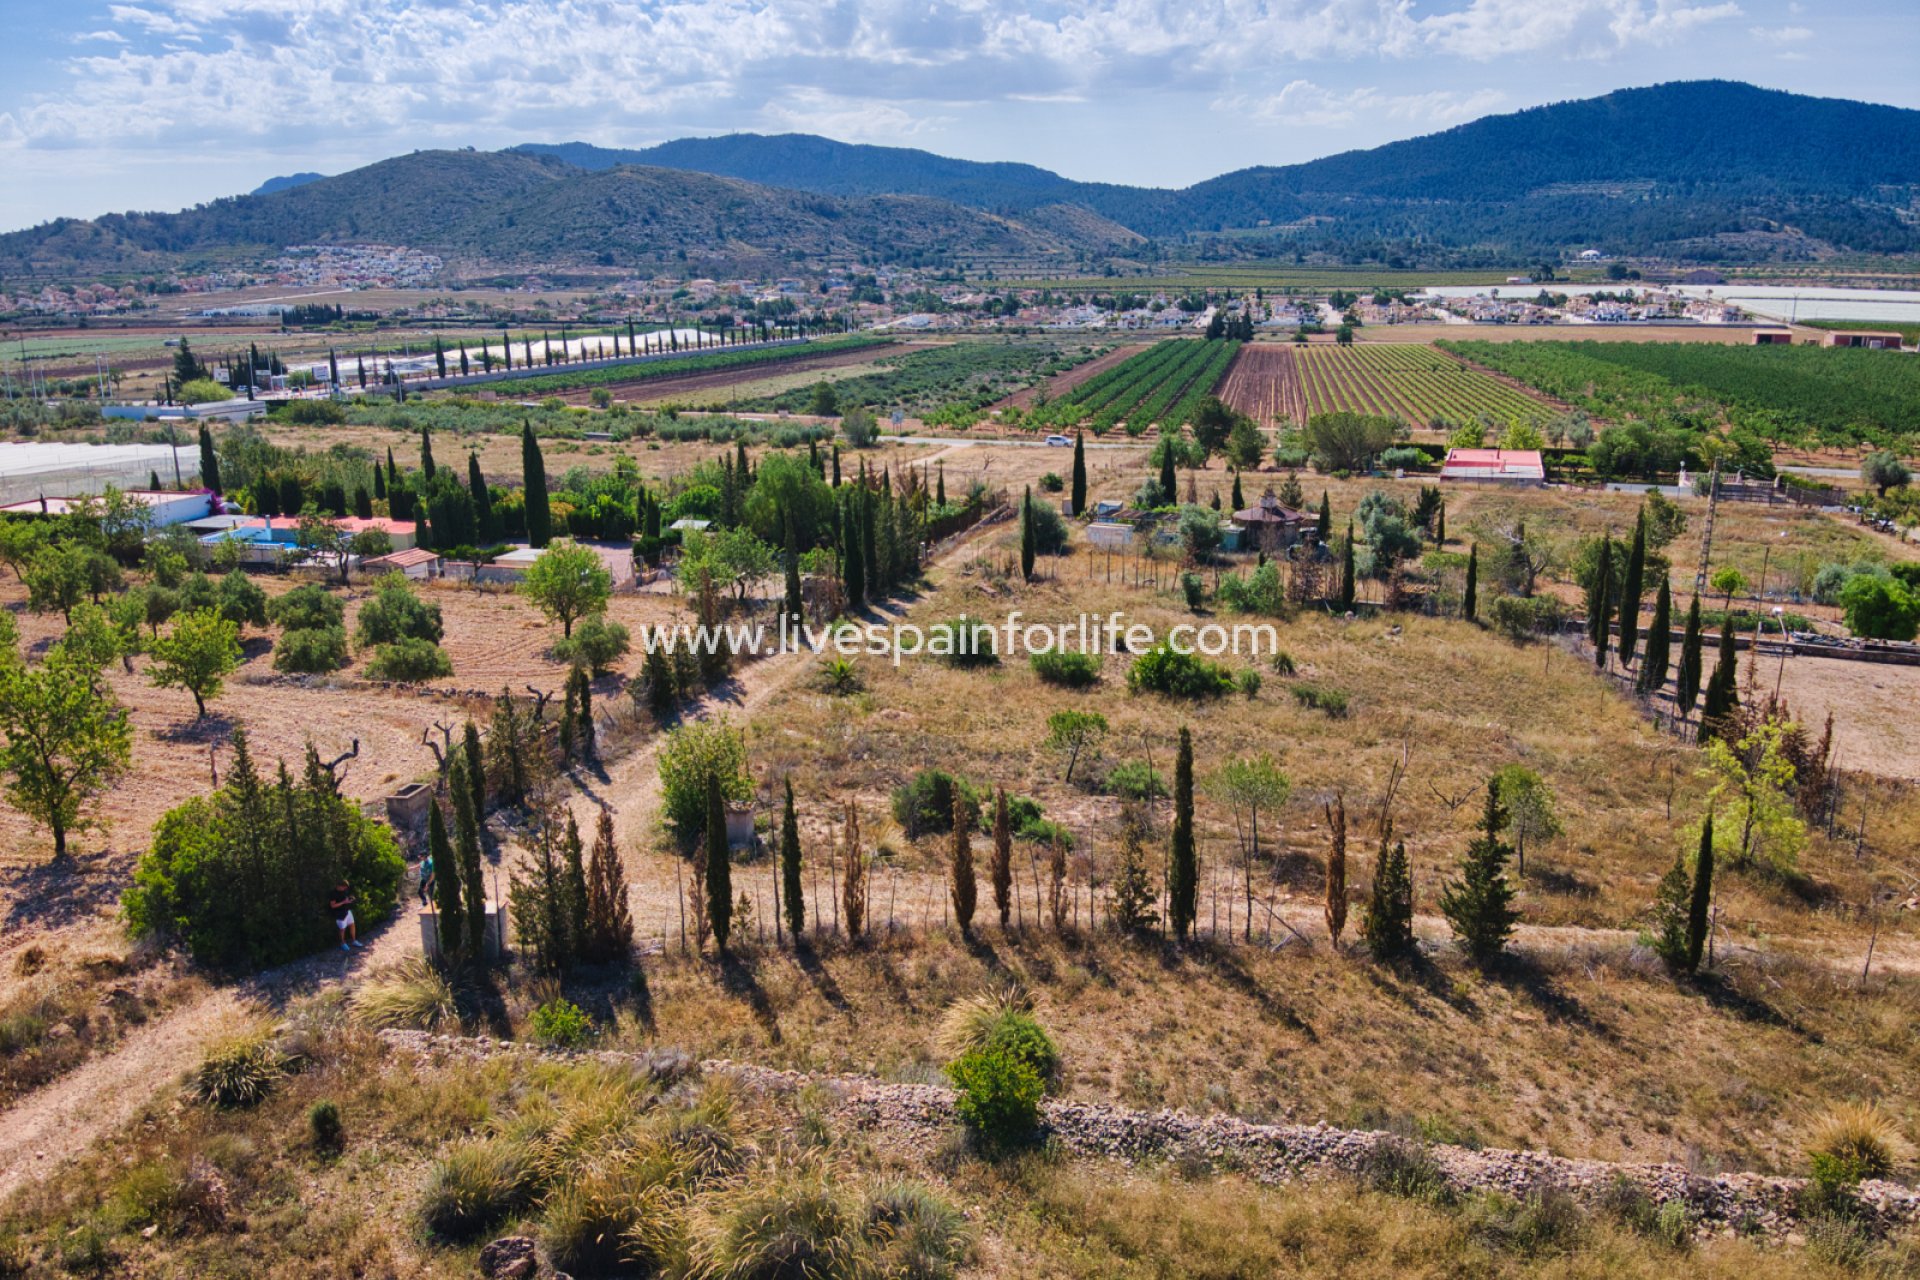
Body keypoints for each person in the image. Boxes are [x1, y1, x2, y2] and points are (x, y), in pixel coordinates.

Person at [331, 882, 360, 951]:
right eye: (344, 887)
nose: (345, 889)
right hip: (339, 913)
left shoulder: (344, 891)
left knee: (352, 925)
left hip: (347, 911)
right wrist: (343, 902)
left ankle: (354, 941)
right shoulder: (333, 894)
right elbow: (333, 905)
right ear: (339, 886)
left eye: (346, 888)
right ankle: (342, 943)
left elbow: (346, 898)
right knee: (342, 929)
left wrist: (350, 899)